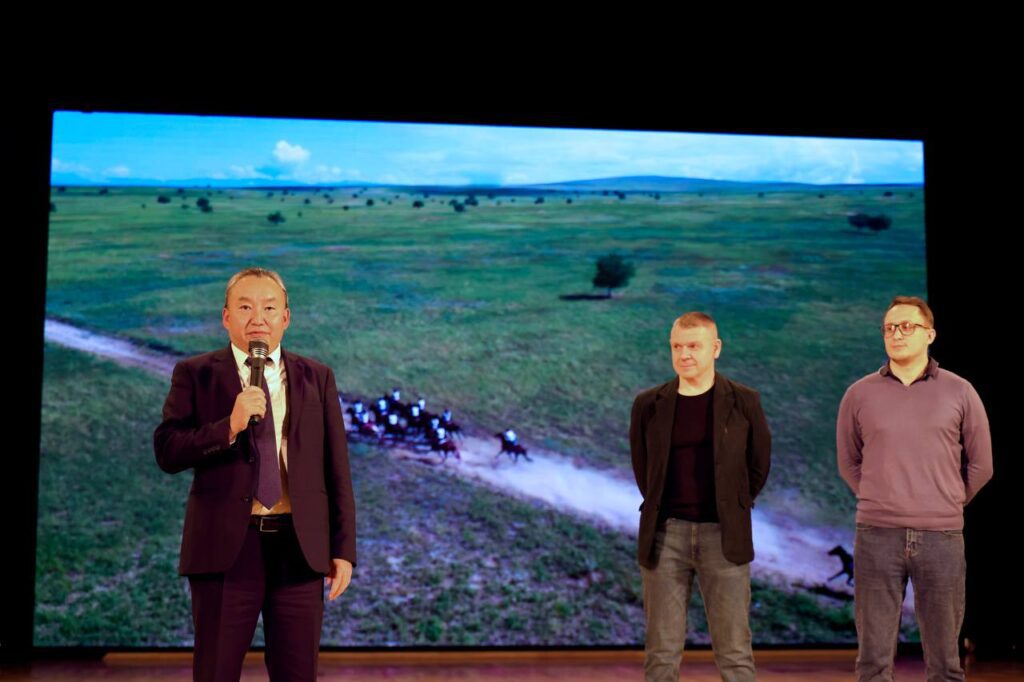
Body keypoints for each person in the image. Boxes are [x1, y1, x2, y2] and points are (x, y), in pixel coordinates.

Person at [154, 267, 356, 682]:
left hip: (299, 549)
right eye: (245, 307)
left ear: (286, 317)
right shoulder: (196, 373)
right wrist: (228, 427)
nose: (258, 318)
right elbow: (168, 450)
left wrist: (343, 549)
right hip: (227, 550)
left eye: (269, 308)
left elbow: (336, 467)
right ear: (226, 317)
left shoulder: (317, 376)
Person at [837, 295, 993, 682]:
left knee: (945, 663)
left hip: (941, 537)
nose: (897, 334)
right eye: (890, 328)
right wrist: (877, 498)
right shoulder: (859, 393)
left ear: (930, 335)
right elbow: (848, 462)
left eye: (907, 326)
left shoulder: (960, 391)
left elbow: (981, 465)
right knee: (872, 663)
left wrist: (948, 501)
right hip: (876, 536)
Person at [630, 312, 770, 682]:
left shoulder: (744, 401)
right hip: (665, 537)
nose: (684, 354)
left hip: (724, 538)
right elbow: (644, 469)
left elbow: (758, 465)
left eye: (693, 346)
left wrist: (734, 506)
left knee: (735, 652)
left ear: (716, 348)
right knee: (661, 653)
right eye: (677, 346)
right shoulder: (648, 404)